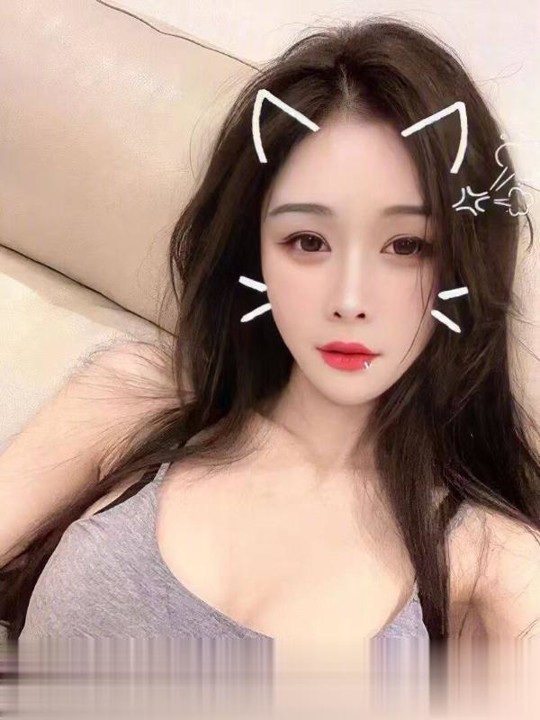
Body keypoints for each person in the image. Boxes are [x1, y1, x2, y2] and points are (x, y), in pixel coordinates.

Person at [1, 14, 539, 681]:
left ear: (463, 266)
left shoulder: (491, 561)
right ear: (252, 251)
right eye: (307, 242)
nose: (350, 299)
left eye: (406, 246)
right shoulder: (132, 400)